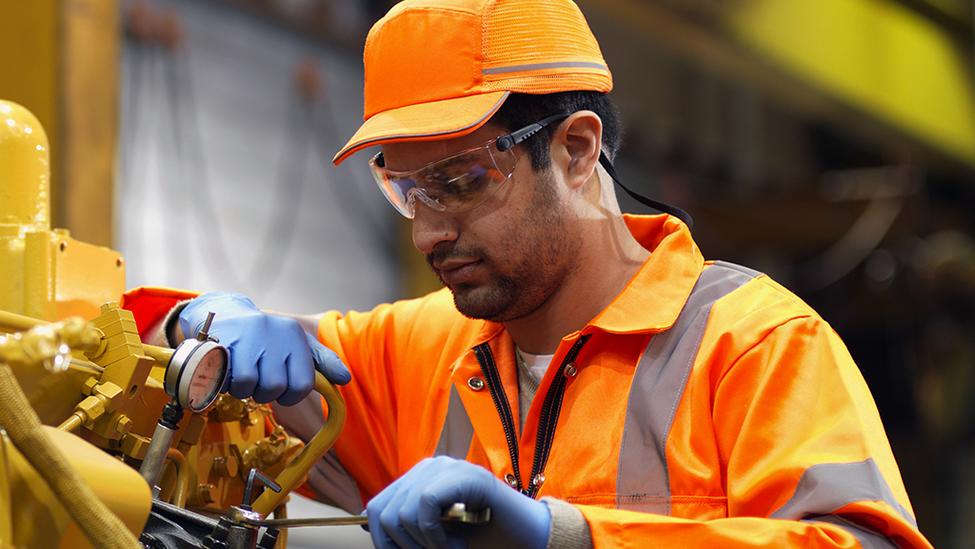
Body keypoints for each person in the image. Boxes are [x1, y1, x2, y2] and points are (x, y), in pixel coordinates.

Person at [123, 0, 934, 547]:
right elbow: (110, 340)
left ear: (575, 149)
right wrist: (198, 323)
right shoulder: (416, 352)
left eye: (464, 180)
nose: (432, 229)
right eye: (406, 190)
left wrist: (567, 535)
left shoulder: (751, 347)